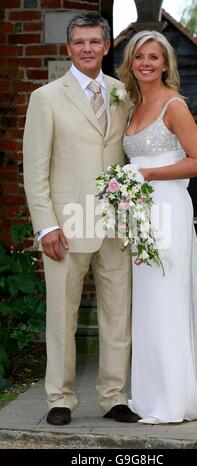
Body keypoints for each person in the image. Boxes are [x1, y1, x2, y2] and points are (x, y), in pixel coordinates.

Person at [23, 12, 140, 425]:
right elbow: (34, 169)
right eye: (79, 42)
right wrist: (46, 225)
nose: (87, 49)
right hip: (67, 225)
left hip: (116, 223)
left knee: (118, 313)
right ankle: (60, 397)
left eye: (94, 41)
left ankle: (114, 396)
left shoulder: (124, 93)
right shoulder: (46, 97)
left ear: (107, 47)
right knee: (61, 315)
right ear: (68, 48)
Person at [118, 30, 197, 424]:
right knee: (148, 304)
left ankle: (174, 401)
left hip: (169, 209)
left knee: (168, 299)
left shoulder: (174, 105)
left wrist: (152, 173)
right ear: (130, 61)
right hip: (141, 216)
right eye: (139, 56)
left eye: (154, 57)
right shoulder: (131, 105)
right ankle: (149, 397)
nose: (146, 63)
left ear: (165, 63)